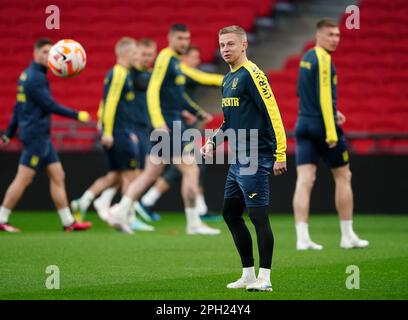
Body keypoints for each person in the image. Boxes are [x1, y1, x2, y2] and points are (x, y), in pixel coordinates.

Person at [109, 24, 220, 235]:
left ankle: (120, 213)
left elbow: (178, 96)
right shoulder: (165, 58)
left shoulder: (176, 63)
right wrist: (159, 121)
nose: (184, 43)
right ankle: (194, 222)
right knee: (191, 169)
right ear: (170, 38)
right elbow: (153, 89)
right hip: (168, 125)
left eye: (187, 39)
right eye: (180, 38)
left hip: (171, 123)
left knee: (151, 173)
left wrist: (196, 112)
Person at [201, 25, 287, 291]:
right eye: (222, 45)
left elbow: (273, 112)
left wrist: (280, 153)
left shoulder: (253, 74)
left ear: (244, 45)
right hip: (238, 159)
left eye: (230, 44)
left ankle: (266, 278)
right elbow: (229, 121)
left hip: (256, 155)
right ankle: (248, 275)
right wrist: (212, 142)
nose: (225, 49)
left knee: (258, 217)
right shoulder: (227, 79)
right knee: (230, 214)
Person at [0, 38, 92, 232]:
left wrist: (8, 133)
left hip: (40, 135)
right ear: (34, 53)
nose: (48, 56)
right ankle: (1, 217)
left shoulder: (28, 75)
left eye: (51, 52)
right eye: (44, 52)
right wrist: (77, 115)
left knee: (58, 175)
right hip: (35, 136)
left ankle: (68, 222)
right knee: (23, 178)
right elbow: (48, 105)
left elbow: (18, 106)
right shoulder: (35, 78)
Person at [292, 19, 369, 250]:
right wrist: (330, 129)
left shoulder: (305, 57)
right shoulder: (324, 58)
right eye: (330, 35)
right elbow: (325, 95)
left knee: (305, 181)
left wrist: (334, 112)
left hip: (302, 123)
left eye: (337, 35)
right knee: (343, 176)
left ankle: (302, 239)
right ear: (319, 36)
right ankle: (347, 236)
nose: (335, 39)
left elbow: (302, 92)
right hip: (322, 126)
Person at [138, 45, 224, 222]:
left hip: (181, 124)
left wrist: (196, 112)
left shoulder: (178, 74)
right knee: (188, 165)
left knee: (188, 165)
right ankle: (145, 201)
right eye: (194, 57)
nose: (198, 60)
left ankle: (198, 208)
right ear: (184, 58)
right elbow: (203, 78)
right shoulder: (180, 69)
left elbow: (180, 98)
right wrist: (233, 78)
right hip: (174, 125)